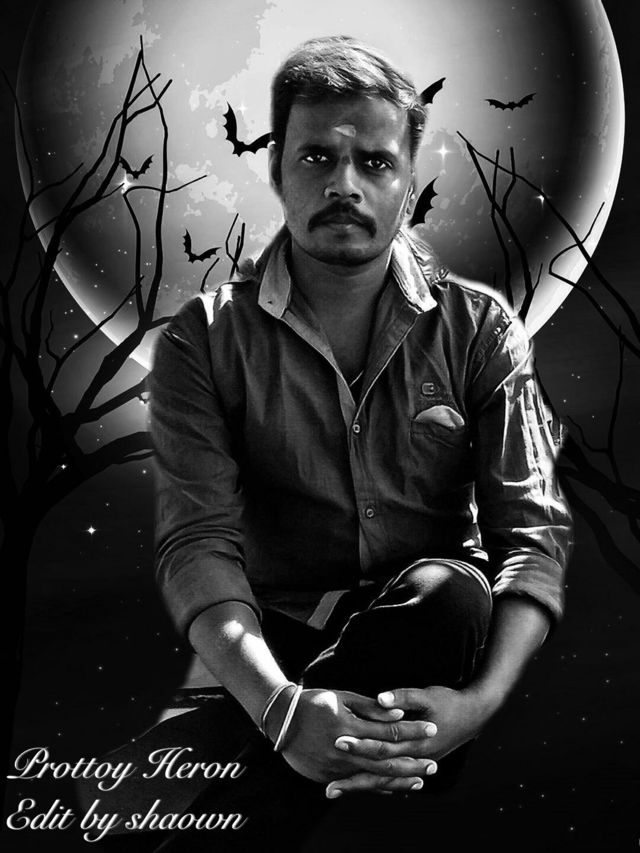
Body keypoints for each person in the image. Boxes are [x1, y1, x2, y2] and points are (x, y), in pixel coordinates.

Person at [148, 35, 571, 847]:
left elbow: (531, 538)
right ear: (277, 170)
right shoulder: (203, 338)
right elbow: (198, 543)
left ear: (409, 183)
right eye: (317, 157)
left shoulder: (480, 329)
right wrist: (281, 708)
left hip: (436, 639)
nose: (344, 183)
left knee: (451, 590)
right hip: (270, 641)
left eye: (375, 163)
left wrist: (477, 705)